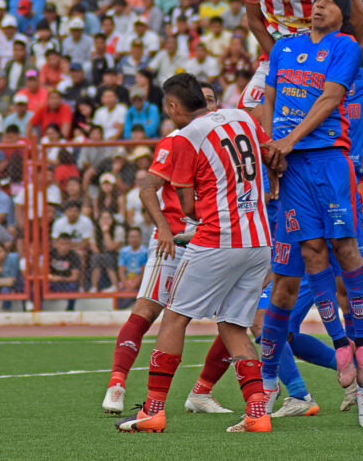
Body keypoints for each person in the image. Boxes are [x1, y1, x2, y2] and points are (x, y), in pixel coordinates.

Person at [115, 74, 272, 434]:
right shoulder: (242, 116)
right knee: (233, 324)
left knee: (174, 319)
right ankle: (257, 413)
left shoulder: (186, 137)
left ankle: (153, 410)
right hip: (260, 239)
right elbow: (271, 155)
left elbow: (190, 208)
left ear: (172, 107)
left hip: (217, 239)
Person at [258, 0, 363, 427]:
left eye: (329, 2)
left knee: (345, 249)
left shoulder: (345, 46)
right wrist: (273, 145)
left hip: (328, 158)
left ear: (342, 15)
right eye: (317, 1)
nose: (319, 6)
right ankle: (336, 349)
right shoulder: (284, 48)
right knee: (309, 255)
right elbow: (270, 99)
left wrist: (289, 140)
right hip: (290, 167)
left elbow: (329, 98)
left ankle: (361, 351)